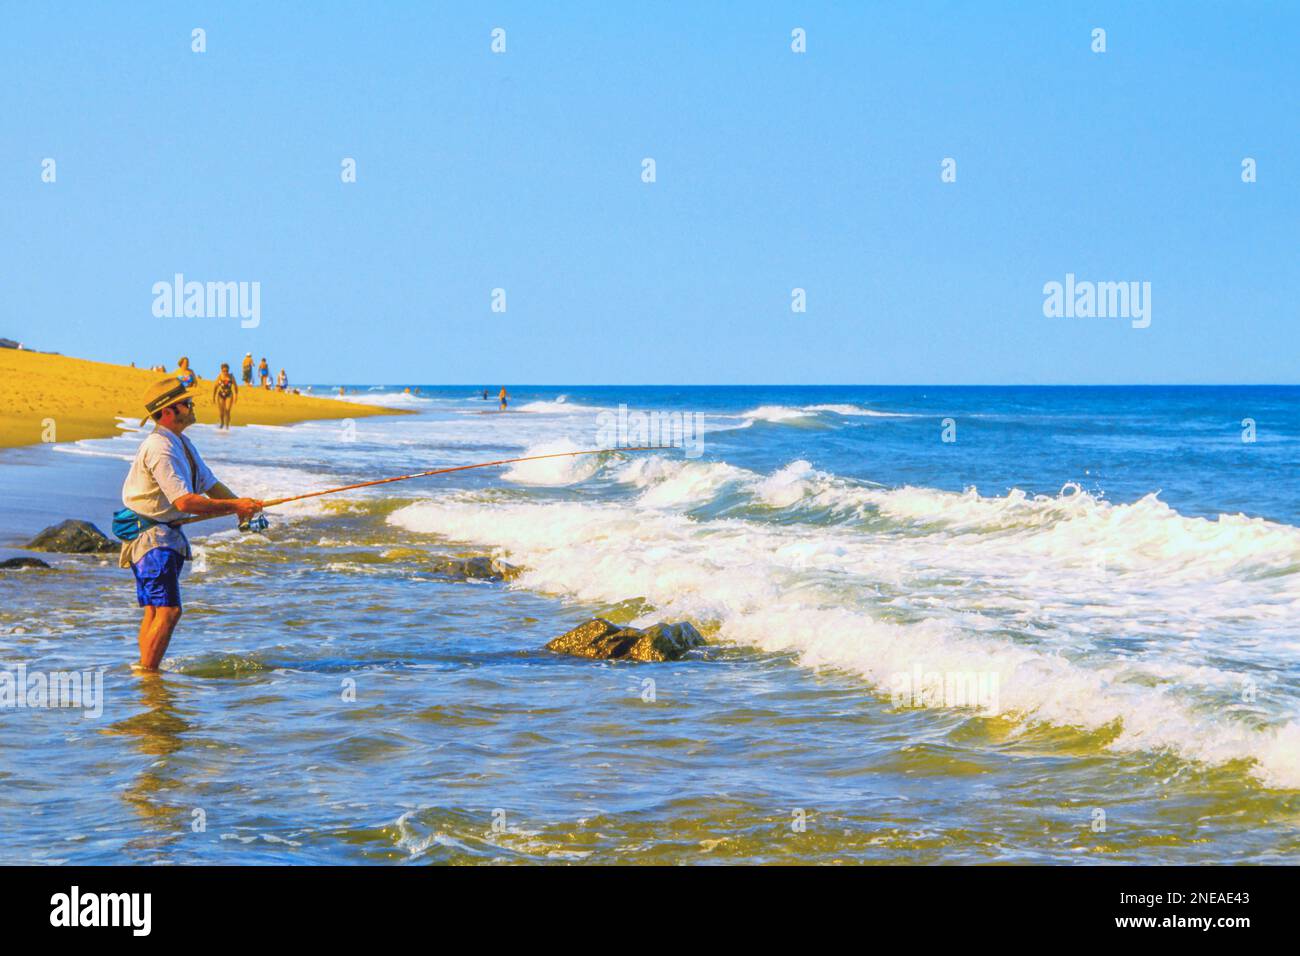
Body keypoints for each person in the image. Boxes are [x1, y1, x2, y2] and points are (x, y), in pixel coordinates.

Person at [120, 378, 262, 671]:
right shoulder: (160, 448)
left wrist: (241, 508)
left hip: (160, 536)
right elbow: (185, 502)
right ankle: (150, 680)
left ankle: (145, 672)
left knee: (155, 609)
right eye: (187, 403)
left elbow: (210, 483)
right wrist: (236, 506)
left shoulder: (180, 441)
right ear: (169, 411)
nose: (192, 406)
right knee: (168, 611)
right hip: (152, 537)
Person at [212, 362, 238, 430]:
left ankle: (227, 426)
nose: (225, 372)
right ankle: (222, 423)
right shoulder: (219, 376)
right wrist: (213, 397)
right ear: (221, 370)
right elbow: (215, 387)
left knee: (227, 411)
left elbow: (235, 387)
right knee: (221, 412)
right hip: (220, 395)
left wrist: (236, 397)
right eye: (224, 371)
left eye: (227, 371)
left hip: (229, 395)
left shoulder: (231, 377)